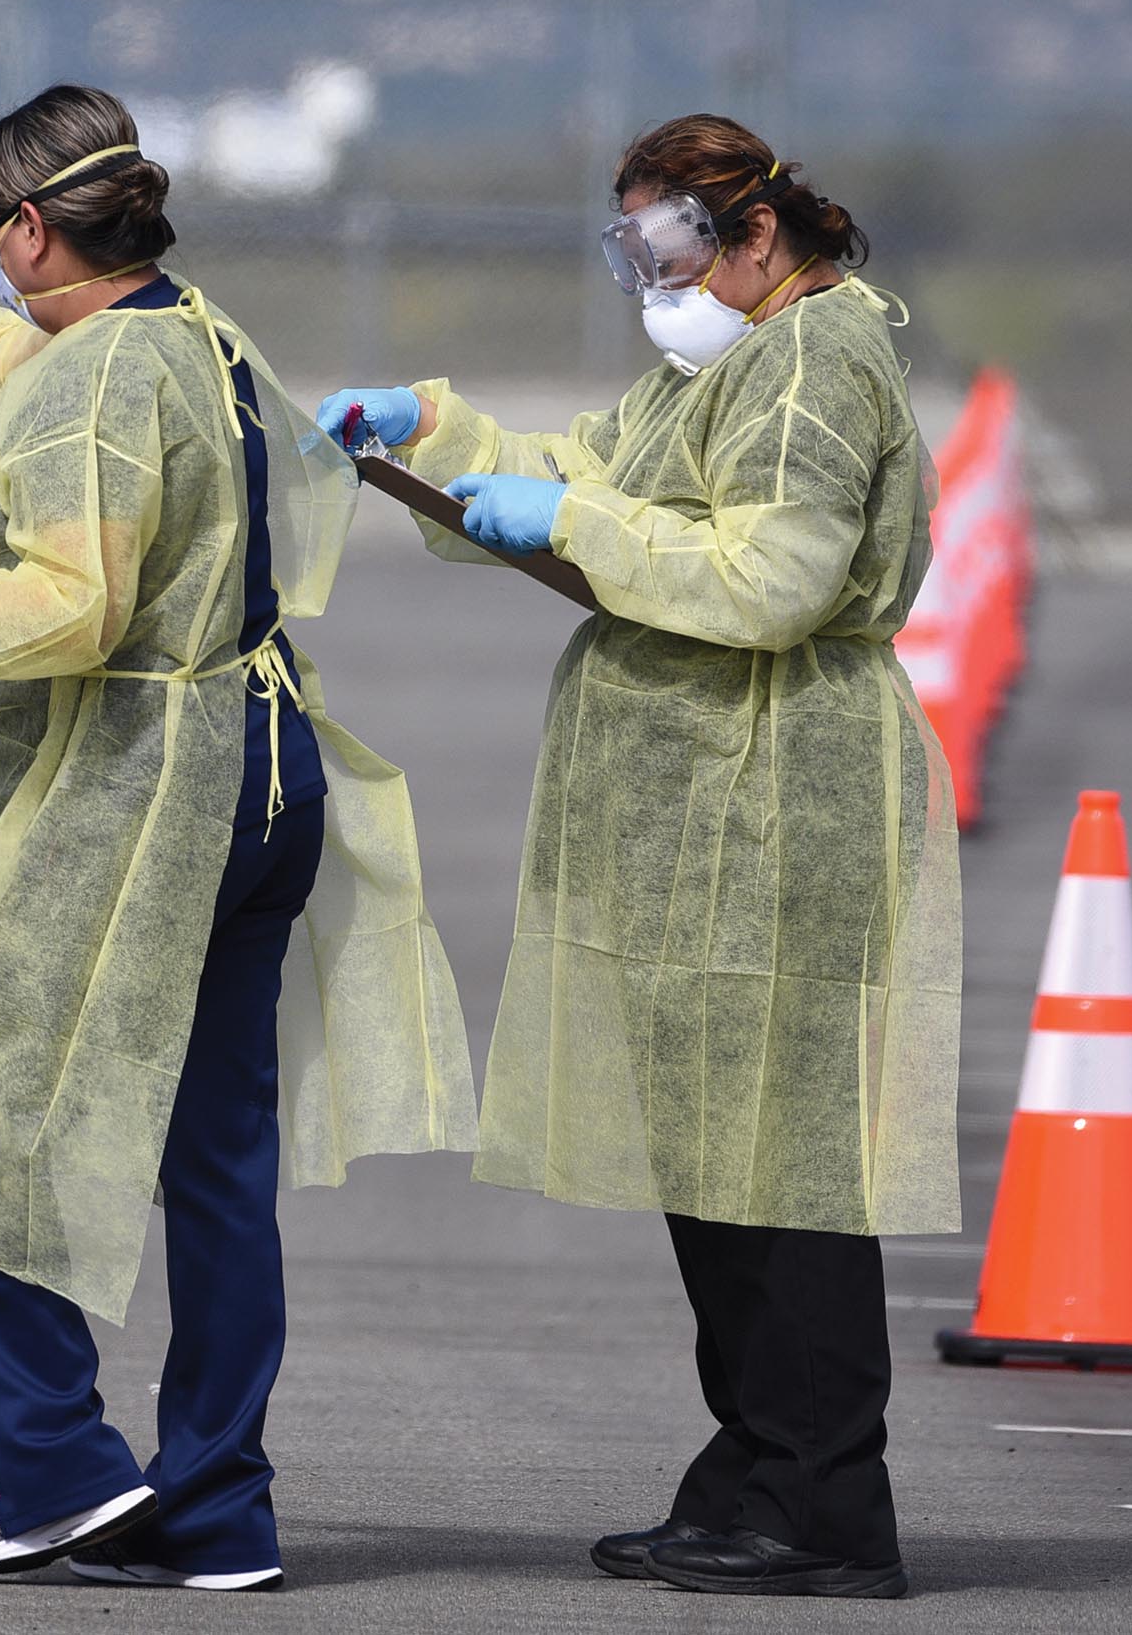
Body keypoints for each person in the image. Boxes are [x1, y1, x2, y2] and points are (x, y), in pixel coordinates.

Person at [0, 87, 476, 1591]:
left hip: (147, 787)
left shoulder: (96, 387)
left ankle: (59, 1470)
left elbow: (68, 604)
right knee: (213, 1162)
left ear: (28, 226)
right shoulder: (186, 331)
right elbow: (19, 366)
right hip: (263, 766)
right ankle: (216, 1506)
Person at [320, 115, 960, 1601]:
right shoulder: (733, 362)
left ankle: (819, 1497)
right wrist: (434, 434)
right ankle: (754, 1468)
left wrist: (578, 520)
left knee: (784, 1161)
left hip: (779, 793)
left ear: (755, 234)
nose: (648, 279)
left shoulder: (814, 360)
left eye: (665, 246)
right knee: (718, 1156)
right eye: (631, 249)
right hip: (706, 808)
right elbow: (582, 469)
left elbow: (776, 576)